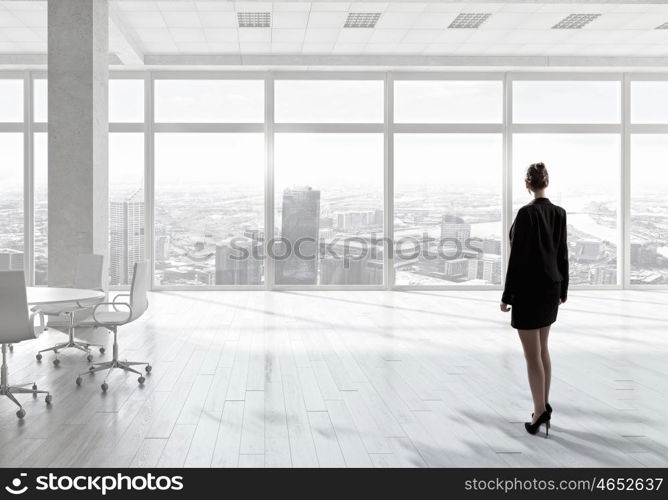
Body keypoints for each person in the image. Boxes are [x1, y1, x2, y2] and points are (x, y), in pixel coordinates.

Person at [500, 162, 569, 438]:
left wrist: (507, 296)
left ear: (527, 184)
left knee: (532, 356)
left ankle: (539, 412)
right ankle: (542, 406)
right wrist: (564, 289)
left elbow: (517, 260)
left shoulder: (526, 214)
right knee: (543, 350)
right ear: (546, 183)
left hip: (529, 292)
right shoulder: (559, 213)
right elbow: (562, 253)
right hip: (551, 289)